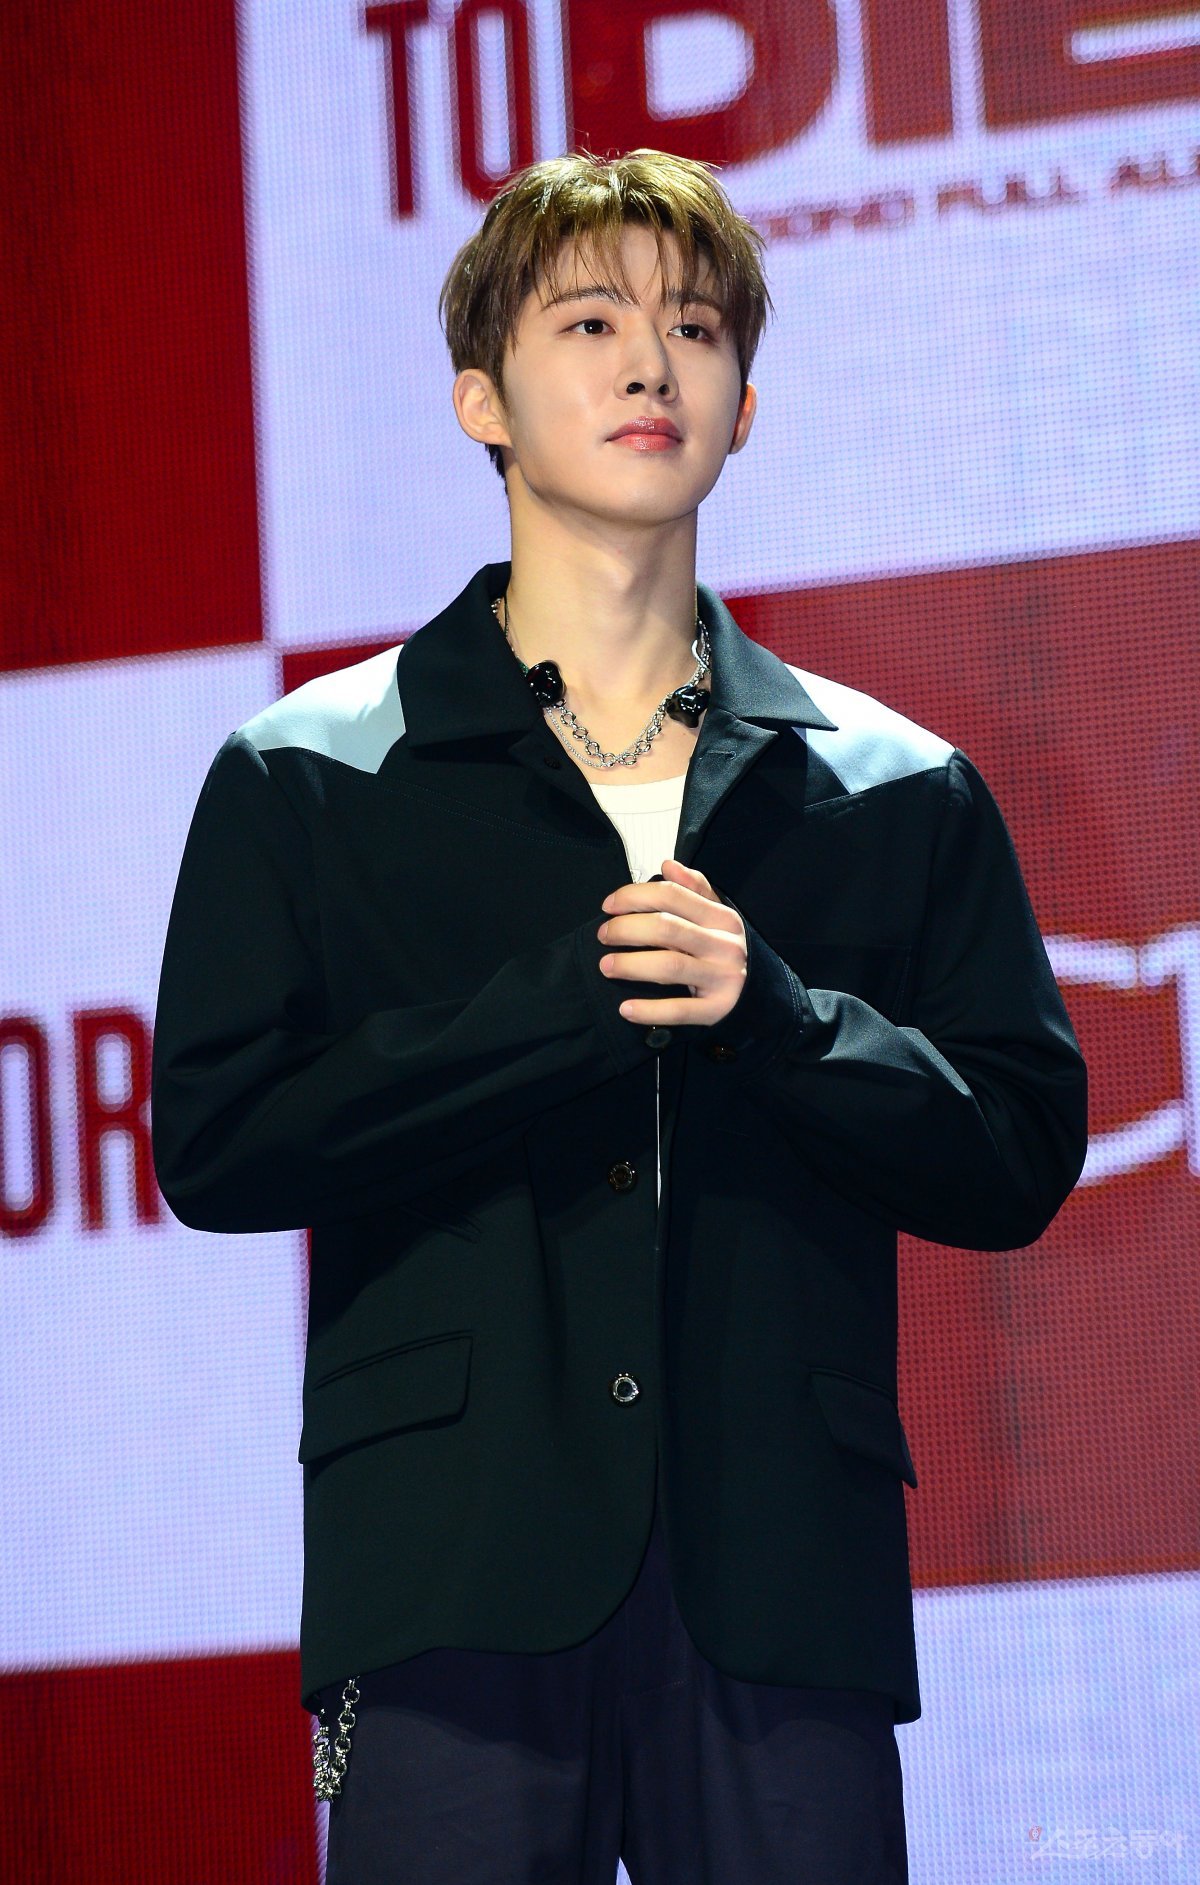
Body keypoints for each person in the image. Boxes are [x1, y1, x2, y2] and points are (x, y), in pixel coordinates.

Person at [150, 148, 1088, 1883]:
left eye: (698, 328)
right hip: (449, 1564)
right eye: (590, 322)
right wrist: (557, 1012)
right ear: (481, 400)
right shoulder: (312, 771)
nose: (653, 362)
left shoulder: (893, 785)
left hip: (781, 1577)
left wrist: (778, 1015)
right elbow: (217, 1141)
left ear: (746, 409)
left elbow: (1020, 1145)